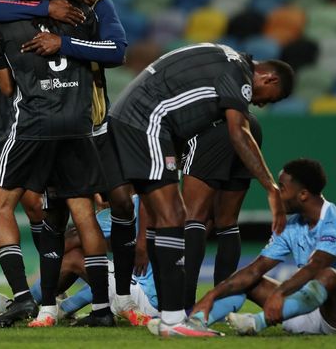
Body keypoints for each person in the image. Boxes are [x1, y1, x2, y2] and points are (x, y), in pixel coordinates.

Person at [0, 0, 149, 325]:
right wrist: (49, 13)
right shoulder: (76, 13)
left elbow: (118, 51)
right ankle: (83, 306)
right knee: (76, 213)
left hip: (60, 125)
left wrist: (60, 42)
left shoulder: (86, 10)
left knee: (6, 206)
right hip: (79, 126)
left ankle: (36, 298)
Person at [108, 43, 294, 336]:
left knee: (172, 213)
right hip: (148, 120)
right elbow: (238, 131)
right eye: (272, 99)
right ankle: (175, 317)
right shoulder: (238, 72)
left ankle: (172, 316)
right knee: (176, 215)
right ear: (269, 79)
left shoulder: (225, 58)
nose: (262, 105)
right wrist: (271, 187)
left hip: (140, 118)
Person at [188, 158, 336, 336]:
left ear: (303, 194)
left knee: (327, 275)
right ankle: (196, 324)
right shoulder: (290, 226)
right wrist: (211, 295)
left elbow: (316, 266)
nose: (276, 194)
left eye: (282, 188)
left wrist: (280, 292)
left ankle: (257, 322)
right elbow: (255, 269)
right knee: (248, 280)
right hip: (308, 310)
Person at [0, 196, 160, 321]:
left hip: (143, 304)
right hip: (161, 305)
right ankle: (55, 307)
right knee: (98, 263)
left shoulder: (126, 207)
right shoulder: (161, 205)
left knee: (74, 255)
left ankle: (24, 301)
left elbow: (70, 244)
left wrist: (55, 247)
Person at [182, 113, 263, 311]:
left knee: (192, 216)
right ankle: (222, 306)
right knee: (227, 221)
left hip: (210, 127)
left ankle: (184, 306)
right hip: (249, 125)